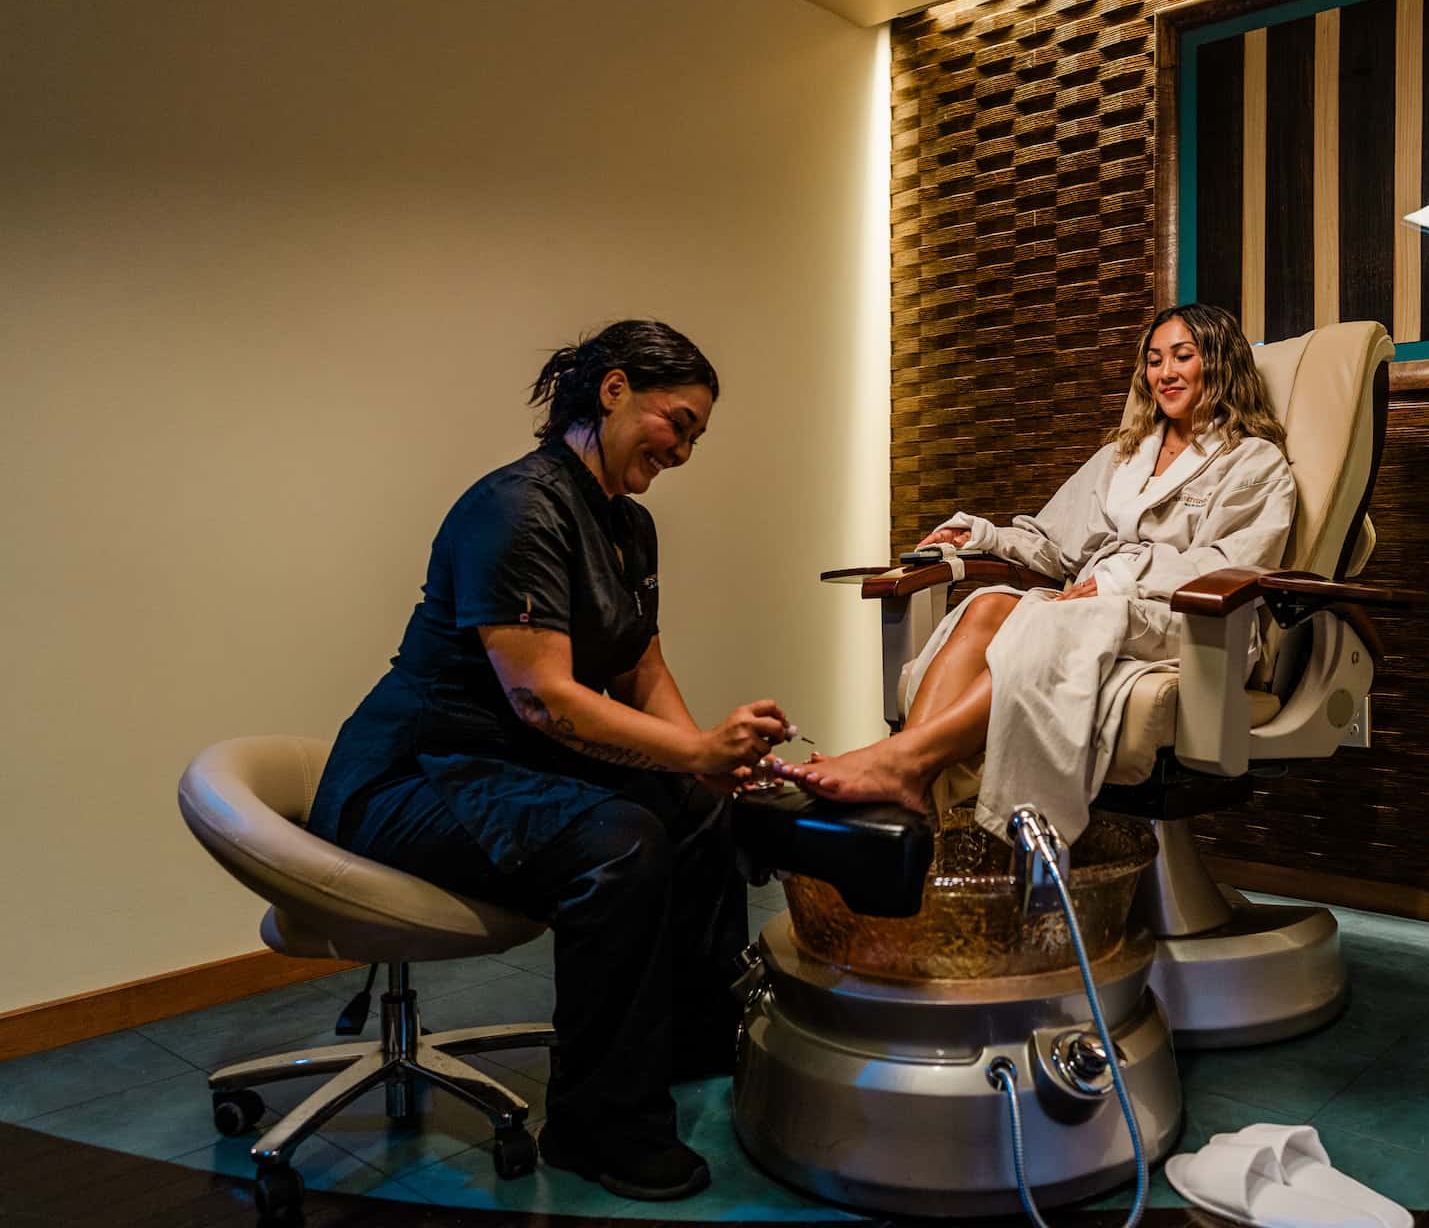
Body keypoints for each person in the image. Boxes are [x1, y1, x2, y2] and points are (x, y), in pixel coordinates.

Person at [307, 318, 790, 1201]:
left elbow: (641, 665)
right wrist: (694, 748)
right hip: (414, 775)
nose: (685, 448)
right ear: (613, 392)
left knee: (700, 809)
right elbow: (543, 697)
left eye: (696, 435)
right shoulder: (517, 506)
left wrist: (705, 765)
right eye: (677, 422)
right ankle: (597, 1126)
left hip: (509, 765)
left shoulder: (628, 528)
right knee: (620, 844)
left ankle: (687, 1043)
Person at [776, 302, 1296, 843]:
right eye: (1155, 360)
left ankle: (900, 760)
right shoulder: (1122, 457)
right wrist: (984, 536)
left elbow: (1229, 566)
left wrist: (1121, 580)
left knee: (1048, 621)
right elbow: (1055, 542)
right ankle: (915, 793)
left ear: (1220, 363)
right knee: (987, 605)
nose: (1165, 373)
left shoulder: (1254, 463)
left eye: (1182, 357)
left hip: (1192, 625)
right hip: (1097, 607)